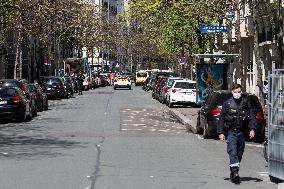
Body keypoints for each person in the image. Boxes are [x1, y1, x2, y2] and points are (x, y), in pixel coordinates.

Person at [217, 84, 257, 184]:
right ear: (232, 92)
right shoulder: (227, 103)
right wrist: (220, 132)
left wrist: (252, 129)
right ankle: (235, 173)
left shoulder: (246, 103)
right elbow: (221, 118)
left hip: (242, 133)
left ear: (241, 92)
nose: (237, 94)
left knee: (239, 154)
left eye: (239, 92)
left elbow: (252, 116)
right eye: (235, 92)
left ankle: (233, 170)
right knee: (233, 152)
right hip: (231, 132)